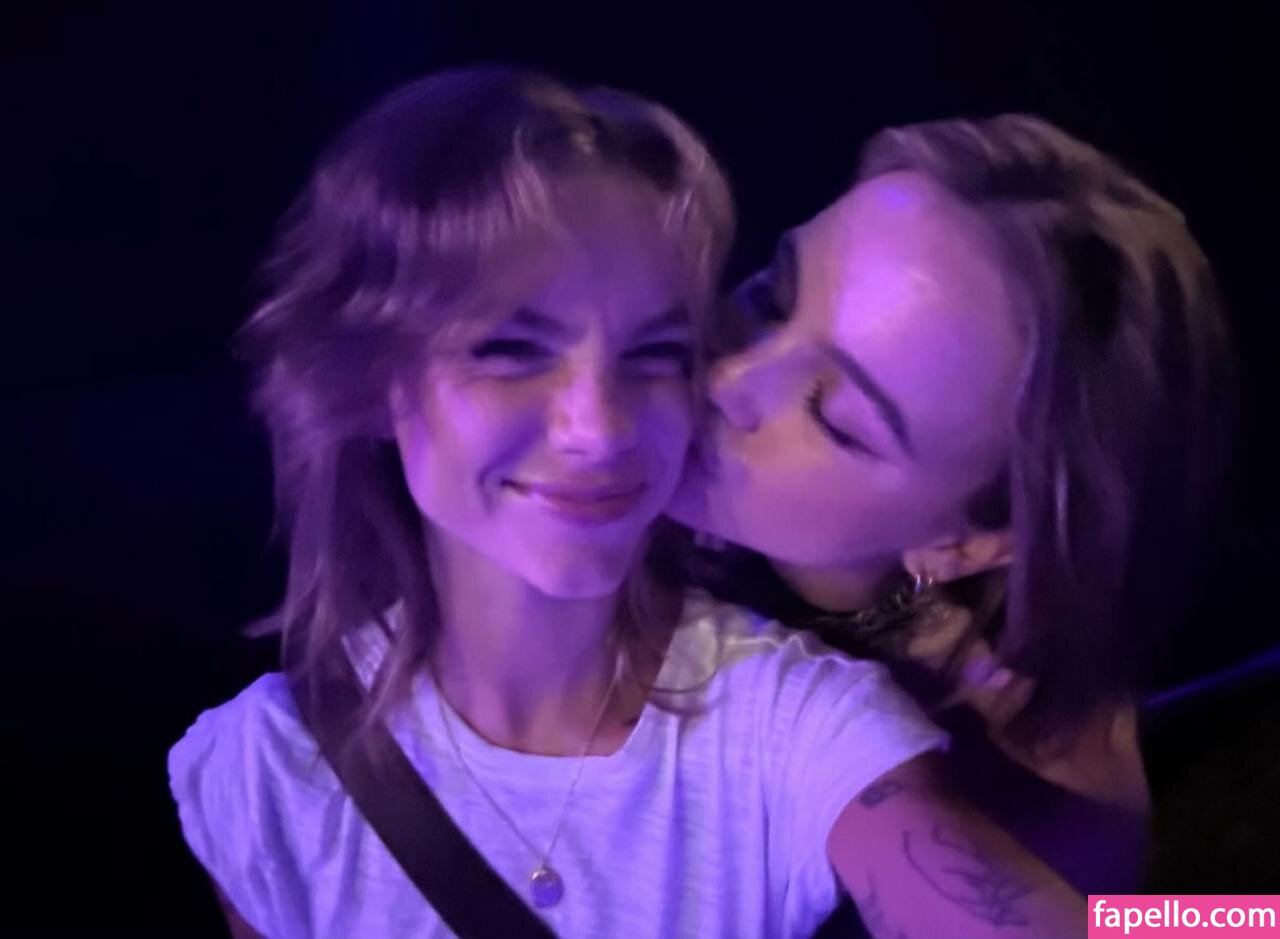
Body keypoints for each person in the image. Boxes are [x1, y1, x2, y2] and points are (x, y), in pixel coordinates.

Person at [169, 70, 1085, 938]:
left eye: (655, 354)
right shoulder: (264, 774)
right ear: (370, 376)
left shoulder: (794, 725)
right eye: (511, 349)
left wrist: (1176, 908)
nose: (598, 428)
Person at [672, 114, 1234, 900]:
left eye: (836, 420)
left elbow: (1180, 921)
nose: (727, 378)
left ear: (968, 541)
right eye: (774, 295)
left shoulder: (1033, 815)